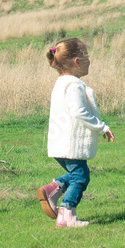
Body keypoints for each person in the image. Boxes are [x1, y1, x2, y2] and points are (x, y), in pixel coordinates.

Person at [36, 38, 114, 227]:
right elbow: (79, 111)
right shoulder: (75, 85)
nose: (90, 60)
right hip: (71, 143)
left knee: (78, 173)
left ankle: (54, 188)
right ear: (77, 62)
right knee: (80, 177)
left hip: (59, 143)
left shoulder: (60, 83)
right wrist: (102, 126)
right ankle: (66, 214)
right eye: (86, 56)